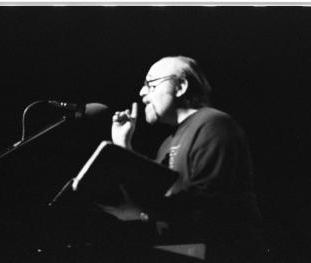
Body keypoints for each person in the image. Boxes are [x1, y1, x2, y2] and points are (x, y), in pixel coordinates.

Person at [101, 56, 267, 262]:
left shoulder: (214, 123)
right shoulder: (167, 144)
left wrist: (141, 212)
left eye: (150, 84)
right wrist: (122, 144)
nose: (142, 93)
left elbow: (207, 204)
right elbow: (150, 194)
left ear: (180, 86)